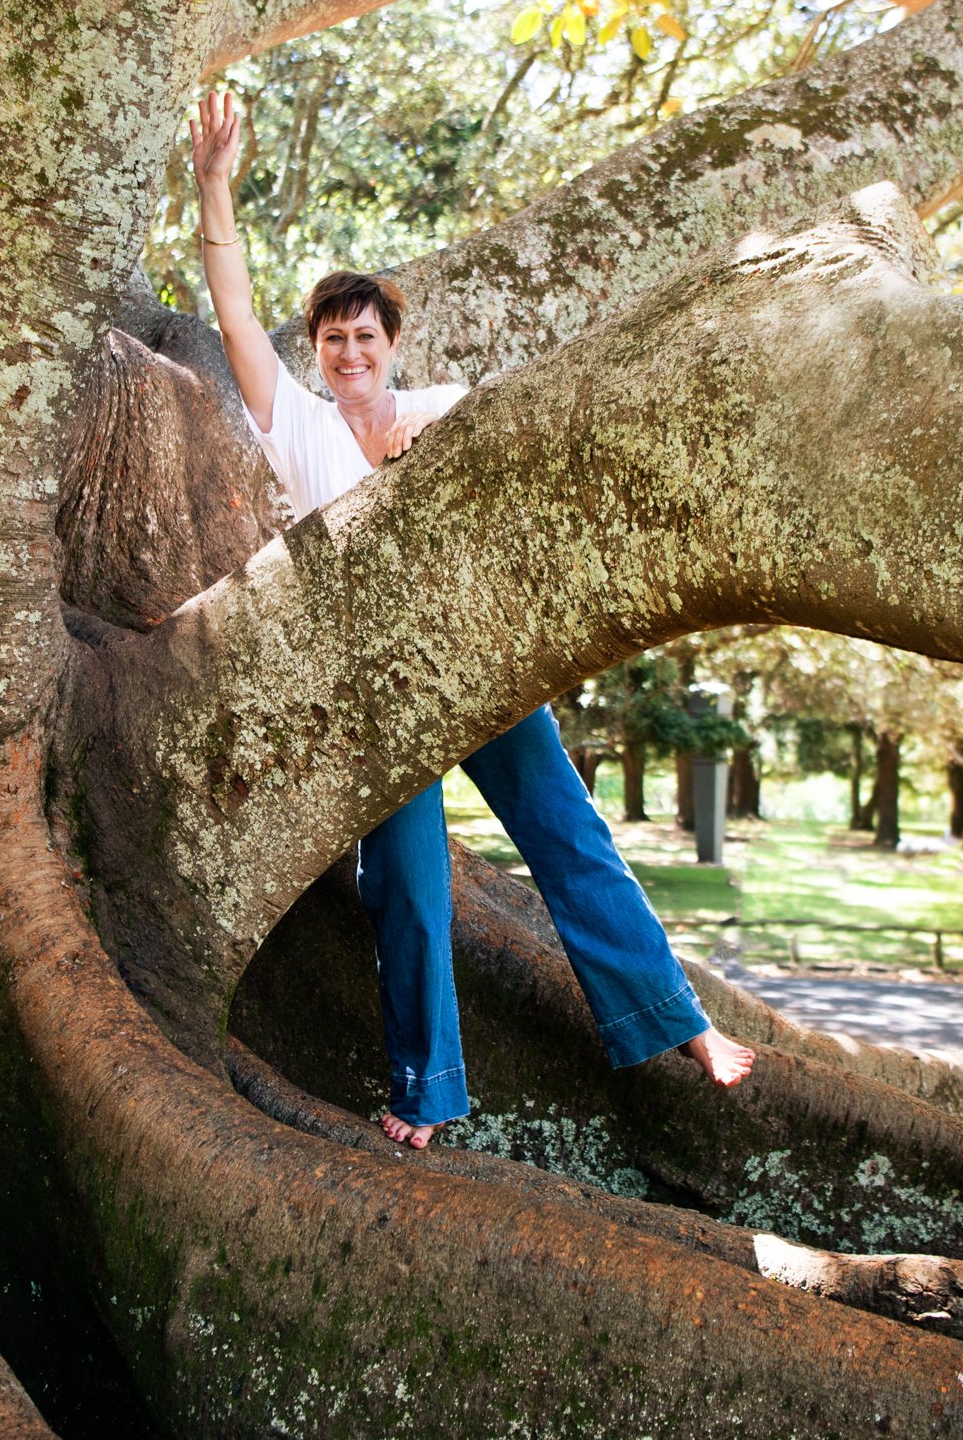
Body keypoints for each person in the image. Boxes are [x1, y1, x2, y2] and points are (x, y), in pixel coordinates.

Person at [189, 90, 756, 1149]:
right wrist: (215, 185)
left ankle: (679, 1022)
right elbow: (232, 319)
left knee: (568, 832)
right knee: (406, 884)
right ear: (315, 349)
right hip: (380, 687)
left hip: (476, 662)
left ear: (393, 342)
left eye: (364, 335)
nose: (348, 352)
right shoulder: (298, 427)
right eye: (332, 337)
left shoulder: (446, 411)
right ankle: (427, 1091)